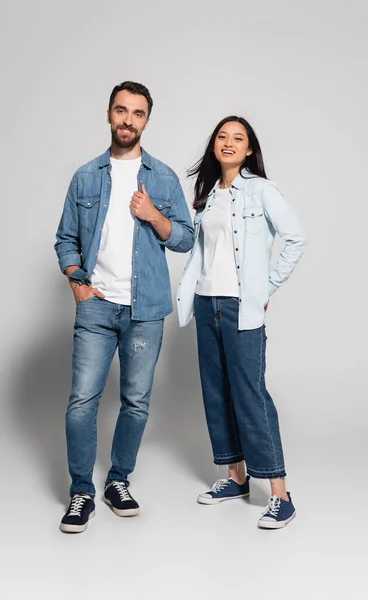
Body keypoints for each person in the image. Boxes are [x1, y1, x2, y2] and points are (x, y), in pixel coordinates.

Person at [55, 81, 194, 533]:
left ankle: (118, 480)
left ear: (147, 121)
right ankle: (81, 491)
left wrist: (154, 215)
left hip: (145, 310)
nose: (128, 120)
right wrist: (76, 280)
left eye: (137, 113)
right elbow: (65, 239)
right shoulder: (86, 176)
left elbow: (187, 238)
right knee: (82, 402)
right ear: (109, 115)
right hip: (96, 306)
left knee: (136, 402)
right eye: (121, 110)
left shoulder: (164, 178)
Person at [177, 116, 306, 529]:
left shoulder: (262, 190)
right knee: (216, 391)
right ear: (214, 144)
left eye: (238, 138)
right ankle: (235, 477)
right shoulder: (209, 194)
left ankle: (281, 494)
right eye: (222, 136)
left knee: (249, 393)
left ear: (250, 149)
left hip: (239, 308)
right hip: (205, 302)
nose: (229, 143)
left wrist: (265, 288)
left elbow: (296, 238)